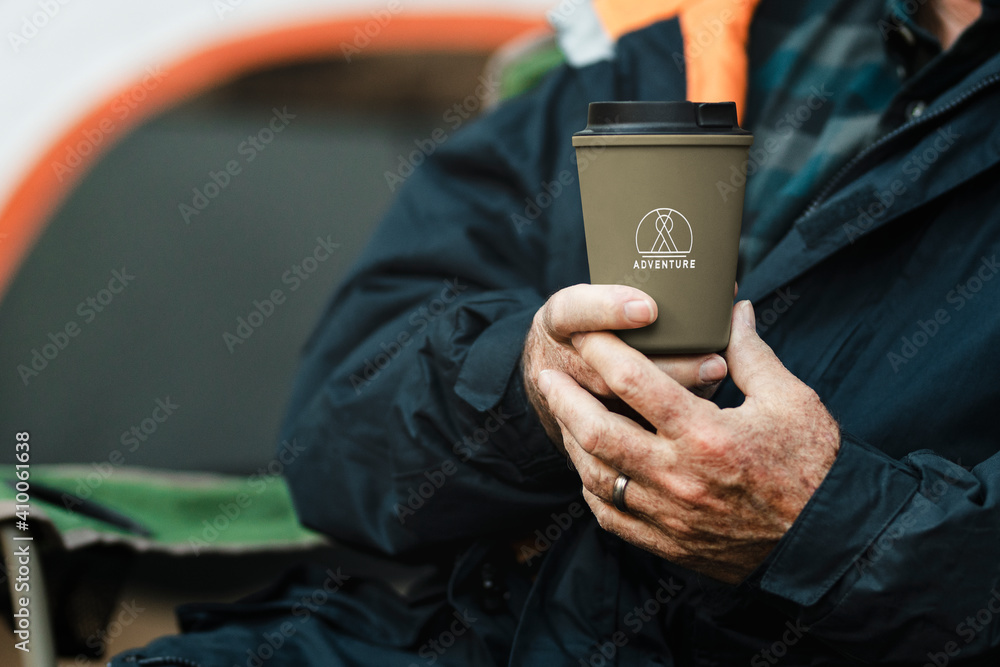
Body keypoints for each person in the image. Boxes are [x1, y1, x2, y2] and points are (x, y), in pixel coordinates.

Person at [114, 0, 1000, 664]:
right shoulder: (672, 52)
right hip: (468, 634)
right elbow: (335, 426)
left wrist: (834, 530)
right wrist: (527, 383)